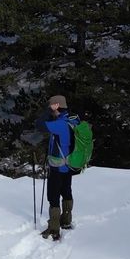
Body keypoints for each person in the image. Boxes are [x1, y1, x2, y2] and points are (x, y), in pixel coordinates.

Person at [36, 94, 79, 240]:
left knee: (53, 196)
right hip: (69, 165)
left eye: (51, 106)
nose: (50, 108)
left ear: (57, 106)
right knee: (66, 191)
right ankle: (66, 221)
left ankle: (54, 228)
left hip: (57, 166)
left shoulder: (60, 125)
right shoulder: (72, 120)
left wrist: (48, 112)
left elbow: (40, 124)